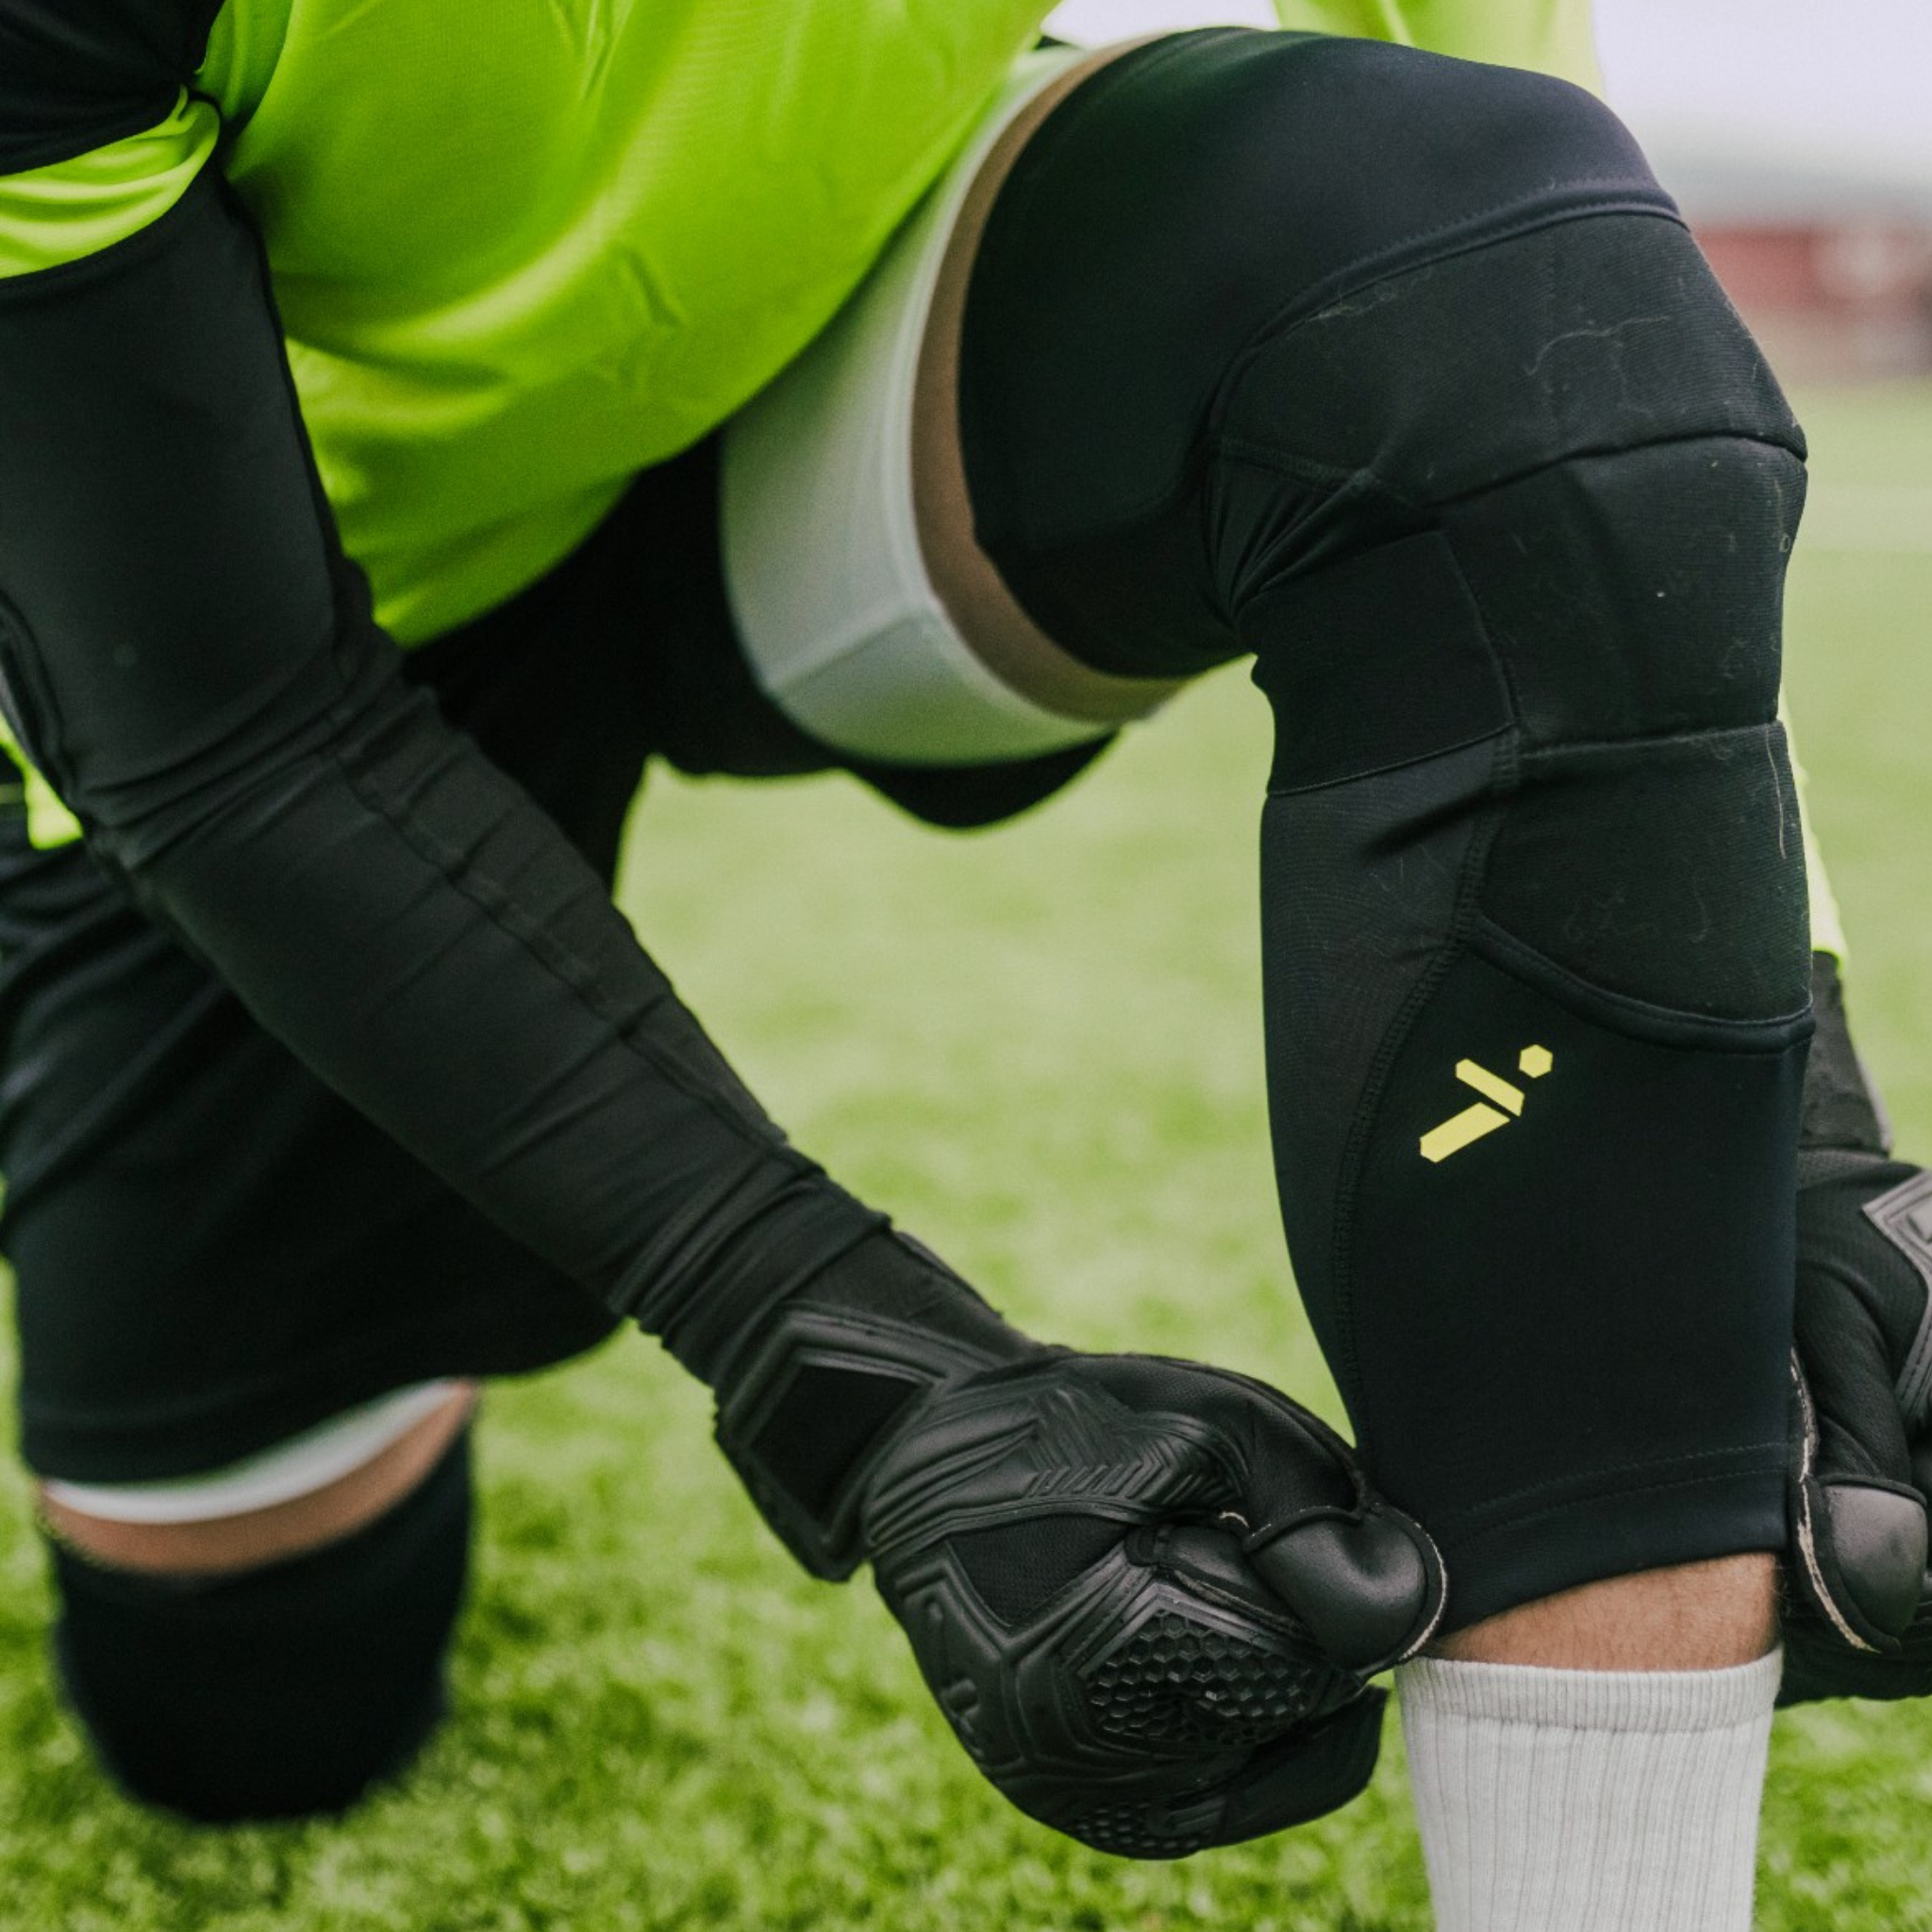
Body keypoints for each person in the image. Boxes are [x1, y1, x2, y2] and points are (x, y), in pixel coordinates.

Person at [2, 1, 1928, 1926]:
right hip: (263, 587)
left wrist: (1805, 1117)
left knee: (1477, 278)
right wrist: (865, 1374)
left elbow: (1604, 395)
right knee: (257, 1713)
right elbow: (227, 732)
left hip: (822, 363)